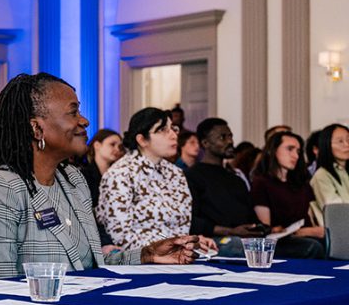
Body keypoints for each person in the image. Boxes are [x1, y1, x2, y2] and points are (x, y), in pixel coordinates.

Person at [0, 73, 212, 279]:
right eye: (73, 112)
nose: (84, 120)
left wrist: (148, 254)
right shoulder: (0, 188)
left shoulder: (73, 180)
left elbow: (90, 263)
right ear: (36, 127)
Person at [97, 107, 193, 250]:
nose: (173, 135)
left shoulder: (176, 173)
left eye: (173, 129)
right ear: (142, 140)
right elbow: (120, 236)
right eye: (163, 130)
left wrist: (183, 245)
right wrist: (167, 249)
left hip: (175, 256)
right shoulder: (120, 174)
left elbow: (183, 226)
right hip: (136, 260)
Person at [184, 118, 269, 254]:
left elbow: (250, 217)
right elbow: (191, 221)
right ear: (205, 143)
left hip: (242, 238)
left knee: (305, 245)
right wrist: (231, 231)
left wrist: (259, 228)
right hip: (212, 240)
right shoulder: (191, 176)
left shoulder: (236, 180)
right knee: (236, 244)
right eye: (222, 137)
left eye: (230, 136)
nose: (230, 141)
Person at [250, 131, 325, 256]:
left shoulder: (302, 183)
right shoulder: (262, 183)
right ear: (272, 151)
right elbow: (266, 229)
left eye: (298, 151)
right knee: (313, 246)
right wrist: (304, 232)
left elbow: (311, 216)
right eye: (290, 149)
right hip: (279, 241)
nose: (295, 156)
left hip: (307, 235)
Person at [79, 128, 124, 251]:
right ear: (97, 145)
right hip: (94, 235)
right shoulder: (83, 175)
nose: (117, 149)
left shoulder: (120, 176)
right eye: (112, 144)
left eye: (119, 146)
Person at [309, 123, 349, 213]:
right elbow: (337, 212)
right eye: (340, 141)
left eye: (348, 139)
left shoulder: (344, 171)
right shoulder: (322, 175)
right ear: (326, 145)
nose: (347, 144)